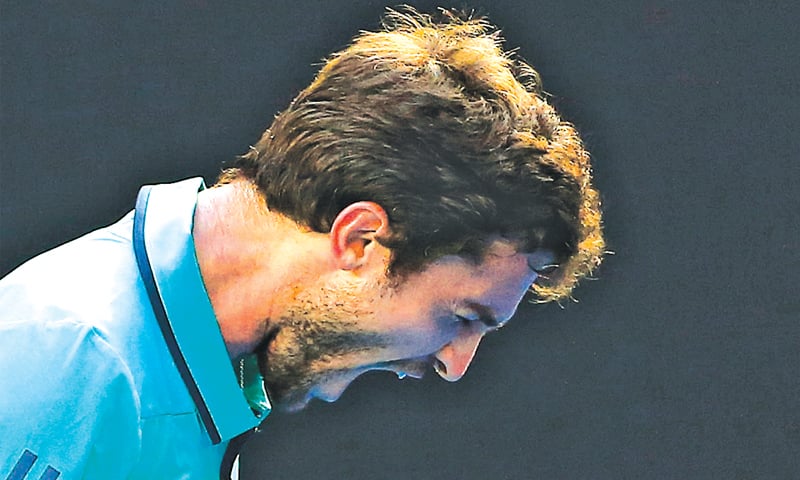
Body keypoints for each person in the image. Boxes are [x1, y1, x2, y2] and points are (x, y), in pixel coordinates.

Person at [0, 8, 605, 480]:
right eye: (461, 316)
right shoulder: (66, 359)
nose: (454, 364)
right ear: (362, 239)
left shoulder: (199, 371)